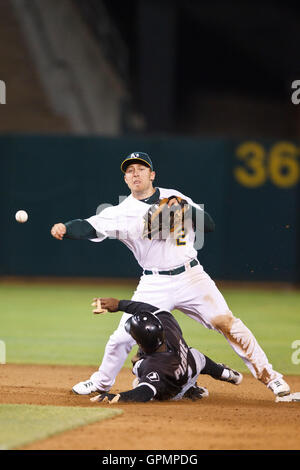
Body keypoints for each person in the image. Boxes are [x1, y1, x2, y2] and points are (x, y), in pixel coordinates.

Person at [50, 151, 290, 398]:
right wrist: (65, 228)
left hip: (191, 277)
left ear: (152, 174)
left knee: (226, 323)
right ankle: (101, 382)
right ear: (125, 179)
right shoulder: (121, 212)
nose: (135, 174)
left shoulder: (175, 197)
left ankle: (272, 378)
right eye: (130, 170)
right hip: (154, 282)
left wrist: (185, 208)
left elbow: (209, 225)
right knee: (122, 337)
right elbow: (89, 225)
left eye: (141, 169)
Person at [89, 297, 243, 403]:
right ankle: (226, 373)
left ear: (142, 342)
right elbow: (149, 309)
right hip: (189, 365)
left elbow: (143, 393)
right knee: (195, 355)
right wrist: (119, 304)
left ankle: (187, 391)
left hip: (172, 389)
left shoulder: (154, 367)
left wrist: (116, 397)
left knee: (138, 373)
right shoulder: (167, 324)